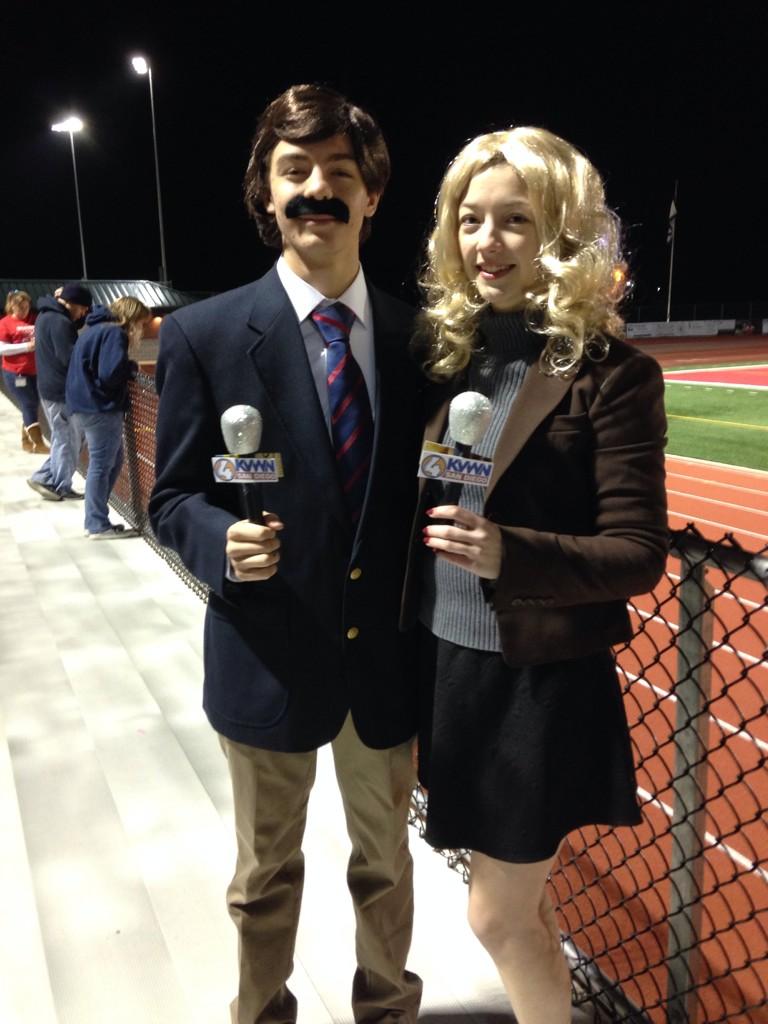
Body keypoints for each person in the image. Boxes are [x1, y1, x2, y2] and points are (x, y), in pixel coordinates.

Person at [149, 84, 423, 1024]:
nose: (317, 190)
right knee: (266, 875)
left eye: (340, 175)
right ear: (265, 193)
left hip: (384, 665)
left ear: (373, 195)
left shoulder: (419, 339)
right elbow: (171, 497)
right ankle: (261, 1011)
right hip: (267, 657)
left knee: (386, 868)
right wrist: (216, 540)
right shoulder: (203, 334)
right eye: (294, 171)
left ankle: (388, 1007)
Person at [404, 128, 668, 1024]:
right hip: (449, 670)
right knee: (520, 908)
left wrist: (511, 551)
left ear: (560, 234)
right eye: (471, 220)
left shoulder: (611, 374)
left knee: (495, 913)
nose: (487, 242)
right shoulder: (447, 358)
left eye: (516, 221)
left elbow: (638, 553)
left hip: (537, 683)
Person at [66, 296, 149, 539]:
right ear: (131, 318)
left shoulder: (95, 329)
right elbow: (110, 374)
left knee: (112, 460)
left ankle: (97, 517)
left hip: (85, 405)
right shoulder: (114, 333)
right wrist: (131, 368)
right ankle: (96, 524)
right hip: (99, 408)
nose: (141, 329)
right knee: (101, 466)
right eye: (141, 323)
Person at [27, 282, 93, 501]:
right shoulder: (60, 322)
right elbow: (71, 359)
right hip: (60, 391)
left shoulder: (46, 316)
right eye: (82, 308)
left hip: (51, 388)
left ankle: (47, 477)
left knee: (69, 438)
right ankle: (56, 484)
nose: (83, 314)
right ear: (72, 303)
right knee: (68, 439)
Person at [0, 290, 49, 453]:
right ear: (11, 306)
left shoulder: (34, 319)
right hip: (15, 373)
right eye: (20, 307)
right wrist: (26, 347)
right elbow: (2, 349)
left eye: (26, 306)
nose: (23, 310)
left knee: (32, 404)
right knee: (28, 403)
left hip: (34, 371)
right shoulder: (5, 323)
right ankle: (38, 443)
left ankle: (26, 441)